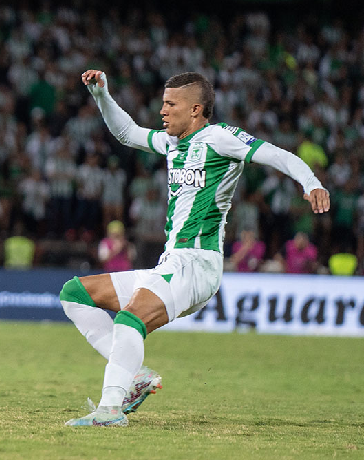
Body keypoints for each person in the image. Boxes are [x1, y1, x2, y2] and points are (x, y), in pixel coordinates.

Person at [59, 70, 330, 427]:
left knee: (130, 319)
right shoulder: (171, 142)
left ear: (196, 109)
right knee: (74, 293)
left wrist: (311, 183)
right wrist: (102, 96)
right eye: (163, 103)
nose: (163, 111)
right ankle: (135, 377)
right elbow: (127, 133)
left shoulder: (219, 138)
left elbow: (278, 155)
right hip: (170, 263)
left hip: (198, 264)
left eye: (171, 104)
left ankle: (110, 410)